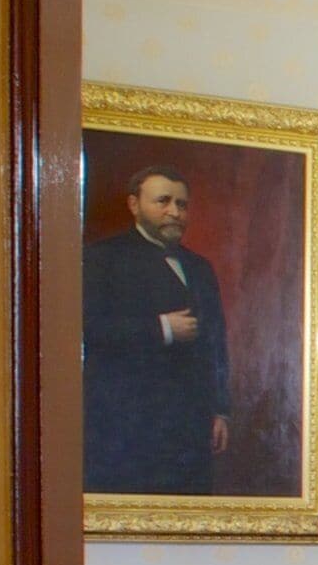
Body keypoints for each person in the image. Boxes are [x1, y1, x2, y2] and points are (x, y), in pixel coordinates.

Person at [84, 164, 233, 494]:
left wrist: (220, 410)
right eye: (163, 201)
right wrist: (162, 328)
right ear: (134, 205)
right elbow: (90, 329)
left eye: (181, 204)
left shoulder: (199, 267)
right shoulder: (102, 259)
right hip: (128, 423)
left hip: (190, 425)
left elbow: (215, 343)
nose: (174, 212)